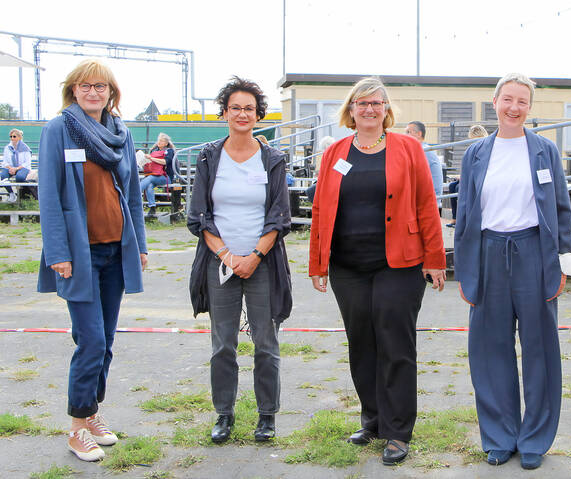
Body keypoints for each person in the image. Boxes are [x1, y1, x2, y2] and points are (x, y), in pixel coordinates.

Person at [309, 77, 446, 466]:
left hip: (398, 264)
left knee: (395, 344)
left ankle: (398, 430)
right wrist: (318, 263)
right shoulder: (335, 151)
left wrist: (435, 258)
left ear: (387, 110)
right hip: (348, 266)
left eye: (376, 103)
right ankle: (373, 418)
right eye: (361, 103)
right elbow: (321, 210)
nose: (369, 109)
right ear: (350, 110)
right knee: (361, 343)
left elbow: (426, 203)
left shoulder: (408, 148)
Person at [454, 73, 571, 470]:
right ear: (494, 102)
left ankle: (536, 438)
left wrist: (561, 263)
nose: (514, 107)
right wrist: (466, 268)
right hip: (489, 252)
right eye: (508, 99)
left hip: (534, 252)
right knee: (490, 351)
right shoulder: (475, 153)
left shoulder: (545, 151)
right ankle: (500, 436)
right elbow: (465, 212)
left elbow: (561, 209)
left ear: (530, 107)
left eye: (522, 101)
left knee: (540, 348)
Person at [36, 59, 148, 462]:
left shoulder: (121, 133)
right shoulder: (58, 129)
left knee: (107, 341)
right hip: (78, 255)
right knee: (92, 341)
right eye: (85, 86)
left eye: (100, 86)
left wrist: (140, 245)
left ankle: (91, 412)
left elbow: (133, 193)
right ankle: (77, 428)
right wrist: (58, 254)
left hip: (116, 251)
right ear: (73, 90)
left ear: (111, 92)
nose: (93, 92)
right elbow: (48, 196)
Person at [187, 76, 292, 445]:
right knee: (223, 345)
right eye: (236, 108)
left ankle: (267, 416)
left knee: (265, 342)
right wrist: (229, 256)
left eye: (249, 108)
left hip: (262, 263)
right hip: (221, 264)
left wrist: (254, 256)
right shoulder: (208, 157)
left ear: (258, 114)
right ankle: (224, 415)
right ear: (225, 113)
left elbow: (280, 216)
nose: (242, 114)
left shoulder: (272, 158)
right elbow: (199, 217)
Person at [447, 125, 488, 227]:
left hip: (477, 177)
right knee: (452, 186)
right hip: (470, 176)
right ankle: (455, 218)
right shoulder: (472, 148)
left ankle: (462, 219)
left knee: (458, 188)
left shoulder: (484, 147)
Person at [405, 120, 443, 214]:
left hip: (427, 204)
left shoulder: (423, 151)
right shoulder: (422, 149)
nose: (405, 135)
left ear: (419, 134)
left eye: (408, 132)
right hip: (426, 201)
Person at [139, 133, 175, 216]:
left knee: (150, 178)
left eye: (162, 141)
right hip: (154, 174)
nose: (159, 142)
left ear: (166, 143)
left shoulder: (169, 151)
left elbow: (165, 162)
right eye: (159, 140)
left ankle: (135, 193)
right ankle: (152, 208)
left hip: (166, 177)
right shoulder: (154, 150)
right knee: (149, 185)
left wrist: (151, 158)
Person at [2, 128, 33, 202]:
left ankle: (22, 196)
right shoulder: (7, 148)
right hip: (11, 168)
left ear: (19, 137)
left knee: (20, 177)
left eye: (14, 136)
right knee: (3, 176)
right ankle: (11, 194)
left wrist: (16, 169)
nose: (12, 138)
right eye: (11, 136)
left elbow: (27, 162)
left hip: (22, 167)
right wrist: (11, 168)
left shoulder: (25, 148)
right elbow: (5, 162)